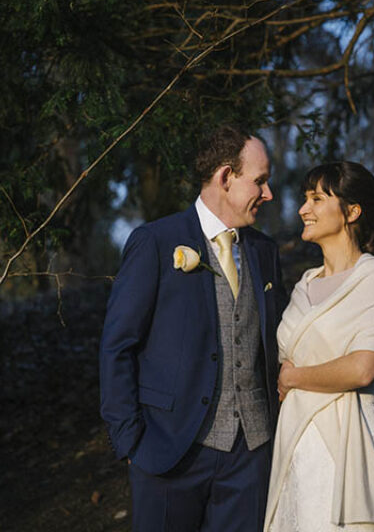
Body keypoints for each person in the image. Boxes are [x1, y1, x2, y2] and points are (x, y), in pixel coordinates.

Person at [99, 126, 286, 532]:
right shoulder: (155, 242)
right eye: (260, 181)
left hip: (251, 457)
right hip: (168, 451)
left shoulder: (265, 252)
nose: (268, 194)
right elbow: (118, 345)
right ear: (225, 177)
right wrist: (130, 441)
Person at [265, 161, 374, 532]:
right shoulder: (305, 284)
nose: (303, 209)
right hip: (296, 440)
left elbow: (362, 369)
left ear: (351, 212)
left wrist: (293, 377)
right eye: (305, 198)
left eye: (317, 198)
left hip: (345, 438)